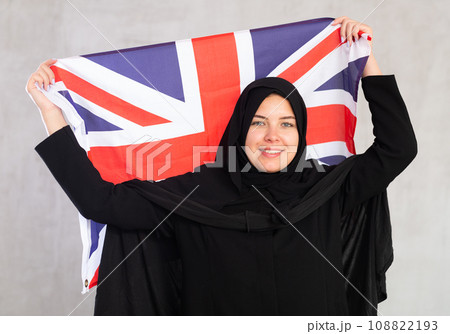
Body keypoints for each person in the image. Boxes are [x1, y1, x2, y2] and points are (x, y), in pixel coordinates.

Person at [27, 17, 417, 315]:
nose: (273, 136)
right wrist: (50, 111)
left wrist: (364, 59)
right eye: (258, 123)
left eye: (286, 124)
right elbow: (100, 203)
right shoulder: (194, 195)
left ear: (301, 134)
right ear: (239, 130)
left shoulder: (328, 189)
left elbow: (397, 149)